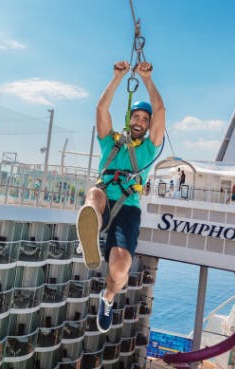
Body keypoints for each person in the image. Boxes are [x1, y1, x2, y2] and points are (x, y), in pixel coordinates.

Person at [76, 60, 165, 333]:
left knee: (120, 265)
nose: (139, 122)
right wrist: (116, 78)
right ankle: (89, 235)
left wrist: (147, 79)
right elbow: (101, 109)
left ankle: (108, 297)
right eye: (136, 117)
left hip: (128, 207)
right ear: (129, 119)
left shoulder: (150, 149)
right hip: (105, 197)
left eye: (144, 120)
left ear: (149, 126)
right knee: (94, 194)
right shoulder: (111, 142)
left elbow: (161, 110)